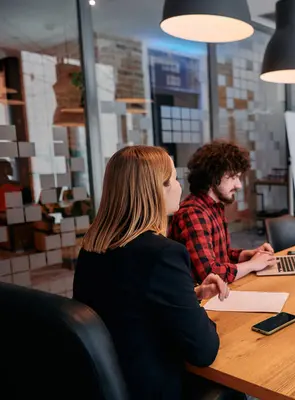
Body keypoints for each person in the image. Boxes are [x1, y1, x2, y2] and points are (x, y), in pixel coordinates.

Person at [73, 146, 229, 399]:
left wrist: (192, 293)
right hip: (155, 387)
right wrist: (193, 307)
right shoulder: (163, 254)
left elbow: (128, 302)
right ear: (158, 189)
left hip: (110, 382)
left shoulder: (93, 247)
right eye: (175, 180)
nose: (180, 187)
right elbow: (204, 350)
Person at [169, 141, 276, 284]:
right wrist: (252, 265)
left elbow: (219, 255)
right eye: (232, 177)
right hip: (202, 300)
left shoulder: (214, 206)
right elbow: (210, 274)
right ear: (213, 177)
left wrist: (247, 255)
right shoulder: (193, 213)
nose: (238, 185)